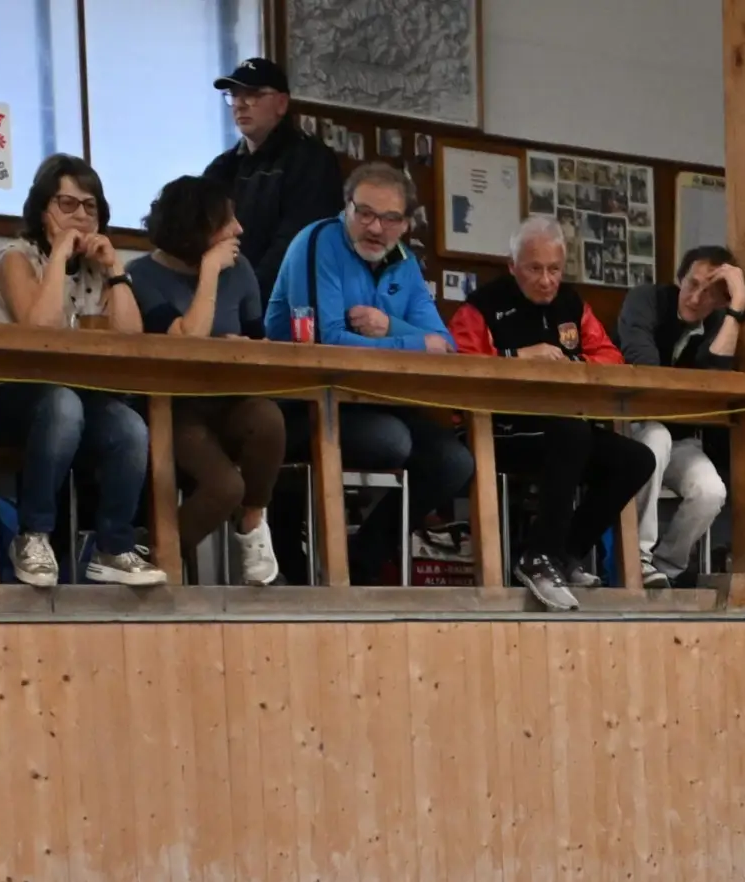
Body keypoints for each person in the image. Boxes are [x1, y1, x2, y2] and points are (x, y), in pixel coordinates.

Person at [265, 161, 475, 586]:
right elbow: (326, 342)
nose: (375, 227)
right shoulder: (319, 241)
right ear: (346, 208)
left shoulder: (405, 263)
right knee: (390, 441)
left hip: (379, 399)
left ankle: (362, 560)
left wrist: (390, 327)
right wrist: (414, 343)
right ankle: (320, 560)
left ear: (406, 224)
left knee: (454, 462)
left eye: (390, 218)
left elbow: (446, 347)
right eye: (364, 213)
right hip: (304, 397)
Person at [447, 215, 656, 613]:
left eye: (554, 269)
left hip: (561, 429)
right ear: (512, 266)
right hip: (498, 431)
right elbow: (461, 369)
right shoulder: (481, 307)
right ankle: (538, 558)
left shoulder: (572, 304)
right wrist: (516, 359)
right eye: (534, 269)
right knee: (571, 434)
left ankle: (563, 554)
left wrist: (568, 360)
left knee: (636, 458)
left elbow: (609, 357)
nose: (546, 280)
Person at [0, 153, 164, 588]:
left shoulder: (97, 271)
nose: (81, 216)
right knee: (63, 405)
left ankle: (113, 547)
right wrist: (61, 253)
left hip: (81, 395)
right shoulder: (16, 258)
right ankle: (32, 536)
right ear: (42, 209)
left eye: (90, 207)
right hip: (10, 393)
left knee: (129, 426)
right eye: (67, 205)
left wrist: (116, 269)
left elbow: (131, 341)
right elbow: (40, 329)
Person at [131, 176, 283, 586]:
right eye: (227, 221)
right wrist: (211, 271)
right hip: (175, 407)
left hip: (230, 399)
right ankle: (154, 554)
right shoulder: (142, 274)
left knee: (268, 418)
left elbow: (259, 338)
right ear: (196, 230)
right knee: (225, 487)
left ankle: (253, 527)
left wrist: (246, 346)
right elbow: (185, 341)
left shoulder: (243, 268)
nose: (239, 230)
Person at [613, 242, 742, 586]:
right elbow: (645, 366)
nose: (697, 298)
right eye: (693, 284)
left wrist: (738, 307)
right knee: (656, 436)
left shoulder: (721, 322)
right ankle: (636, 559)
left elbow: (713, 382)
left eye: (711, 292)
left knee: (711, 490)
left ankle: (664, 569)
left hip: (682, 437)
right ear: (679, 278)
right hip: (630, 427)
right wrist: (690, 392)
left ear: (722, 300)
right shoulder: (647, 300)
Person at [199, 56, 343, 299]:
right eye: (234, 95)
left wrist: (248, 294)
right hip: (227, 299)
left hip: (287, 302)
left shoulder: (311, 160)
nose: (240, 104)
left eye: (253, 94)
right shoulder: (222, 167)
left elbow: (296, 242)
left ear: (281, 104)